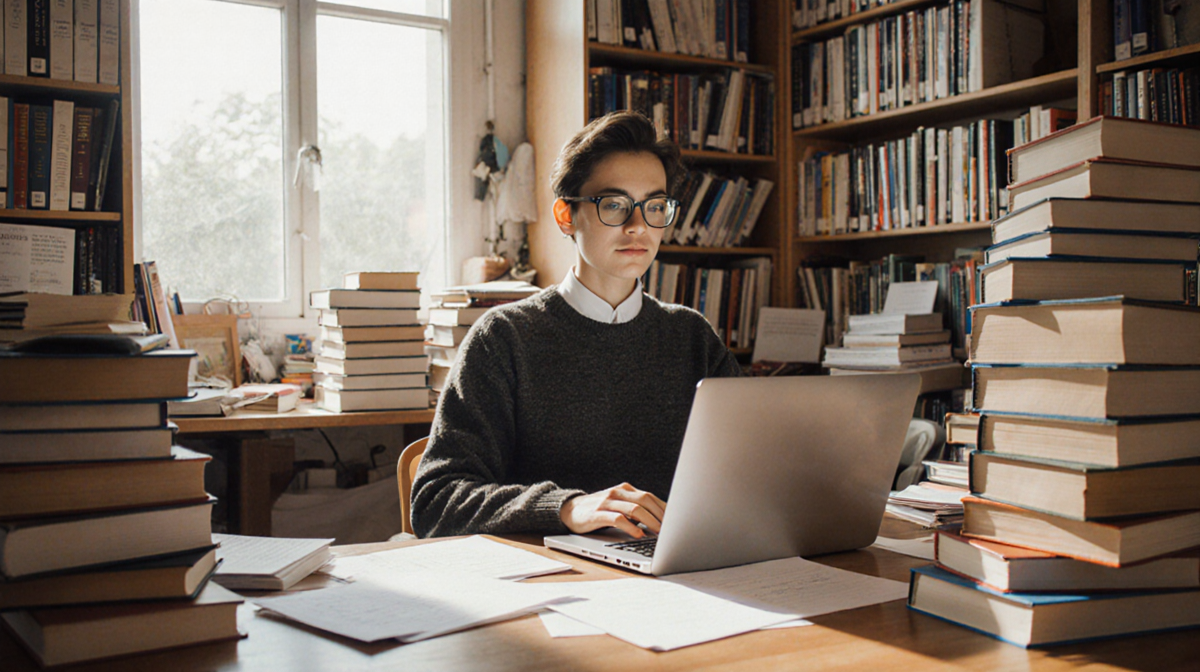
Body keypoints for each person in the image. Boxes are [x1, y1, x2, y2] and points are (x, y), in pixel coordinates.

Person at [410, 111, 741, 539]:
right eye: (615, 205)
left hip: (679, 571)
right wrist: (566, 507)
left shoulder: (692, 337)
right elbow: (436, 501)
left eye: (655, 206)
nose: (638, 226)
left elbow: (753, 469)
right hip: (552, 583)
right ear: (566, 216)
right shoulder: (503, 338)